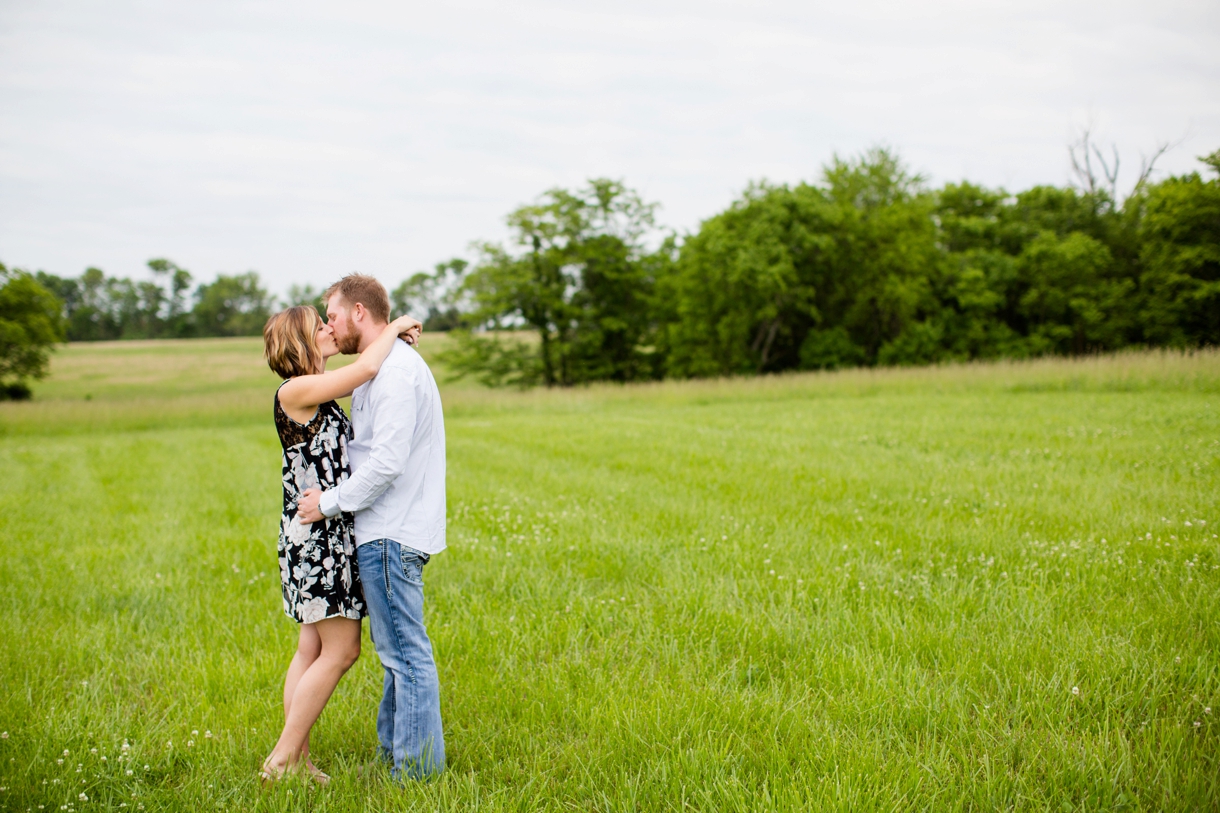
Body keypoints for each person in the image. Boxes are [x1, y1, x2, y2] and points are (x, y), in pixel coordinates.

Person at [260, 303, 422, 784]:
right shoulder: (296, 389)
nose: (330, 329)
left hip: (320, 529)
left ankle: (298, 760)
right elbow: (367, 368)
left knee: (310, 647)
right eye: (320, 326)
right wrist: (394, 325)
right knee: (341, 649)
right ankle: (283, 758)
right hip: (317, 538)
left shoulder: (313, 393)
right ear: (301, 342)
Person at [296, 273, 448, 781]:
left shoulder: (396, 373)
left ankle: (417, 773)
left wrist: (329, 504)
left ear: (359, 313)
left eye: (333, 316)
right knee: (397, 655)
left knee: (406, 656)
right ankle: (395, 755)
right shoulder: (378, 368)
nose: (329, 327)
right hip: (383, 530)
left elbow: (385, 464)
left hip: (391, 532)